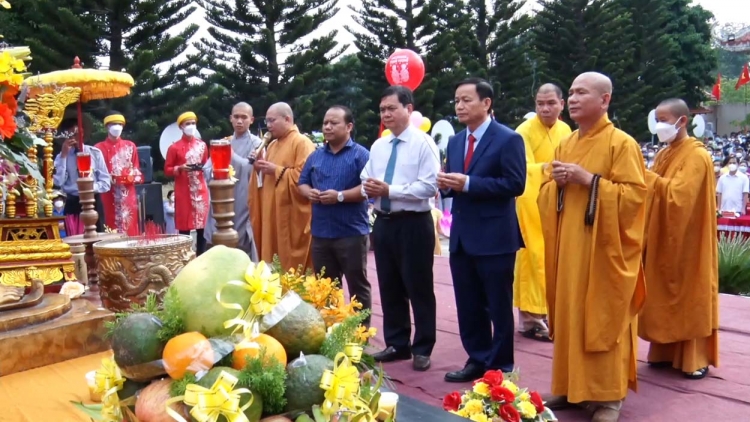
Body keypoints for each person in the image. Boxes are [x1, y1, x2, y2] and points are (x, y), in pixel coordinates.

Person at [538, 72, 647, 422]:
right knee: (571, 315)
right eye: (570, 92)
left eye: (581, 92)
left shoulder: (621, 143)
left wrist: (589, 181)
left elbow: (635, 199)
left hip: (605, 254)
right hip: (571, 249)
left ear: (605, 100)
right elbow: (546, 194)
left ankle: (608, 397)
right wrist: (554, 185)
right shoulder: (566, 143)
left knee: (604, 319)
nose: (572, 98)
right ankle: (571, 386)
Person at [438, 78, 526, 382]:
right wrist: (446, 185)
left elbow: (516, 184)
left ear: (486, 103)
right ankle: (476, 358)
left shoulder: (508, 139)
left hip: (495, 237)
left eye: (466, 100)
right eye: (457, 101)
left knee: (498, 304)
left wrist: (469, 183)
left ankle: (501, 365)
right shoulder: (455, 140)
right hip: (462, 236)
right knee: (468, 302)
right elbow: (457, 185)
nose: (460, 106)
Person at [639, 98, 719, 380]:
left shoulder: (697, 155)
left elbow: (680, 197)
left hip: (689, 241)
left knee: (689, 295)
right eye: (657, 119)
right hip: (666, 237)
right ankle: (663, 352)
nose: (659, 125)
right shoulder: (664, 154)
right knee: (662, 292)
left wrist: (645, 177)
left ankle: (694, 358)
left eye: (664, 119)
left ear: (682, 121)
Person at [362, 85, 440, 372]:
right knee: (390, 285)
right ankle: (397, 343)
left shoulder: (423, 143)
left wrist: (390, 189)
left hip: (413, 223)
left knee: (418, 287)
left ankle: (423, 347)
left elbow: (430, 186)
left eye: (391, 108)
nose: (386, 114)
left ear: (408, 109)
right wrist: (368, 187)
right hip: (383, 222)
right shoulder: (379, 146)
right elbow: (365, 177)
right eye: (382, 109)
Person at [298, 105, 372, 325]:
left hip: (351, 232)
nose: (328, 127)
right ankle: (331, 330)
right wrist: (308, 192)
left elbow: (368, 188)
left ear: (349, 127)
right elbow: (302, 183)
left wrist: (339, 196)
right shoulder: (315, 156)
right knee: (326, 286)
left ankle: (360, 333)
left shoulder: (361, 154)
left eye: (334, 123)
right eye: (325, 123)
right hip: (321, 232)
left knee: (357, 284)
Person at [513, 83, 572, 342]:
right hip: (530, 201)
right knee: (532, 257)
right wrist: (549, 168)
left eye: (551, 103)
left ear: (562, 104)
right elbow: (521, 168)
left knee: (555, 256)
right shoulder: (523, 131)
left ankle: (548, 313)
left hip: (558, 201)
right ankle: (530, 319)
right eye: (540, 104)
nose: (545, 108)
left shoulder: (566, 130)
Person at [248, 102, 316, 270]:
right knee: (273, 261)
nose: (268, 126)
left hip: (291, 216)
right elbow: (265, 181)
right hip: (272, 214)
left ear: (287, 119)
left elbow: (305, 178)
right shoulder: (272, 145)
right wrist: (259, 168)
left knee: (292, 266)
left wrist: (276, 170)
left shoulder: (302, 143)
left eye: (272, 121)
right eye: (267, 122)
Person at [203, 102, 262, 260]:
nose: (239, 121)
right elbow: (207, 169)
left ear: (252, 120)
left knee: (242, 238)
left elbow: (253, 171)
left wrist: (231, 155)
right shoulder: (225, 142)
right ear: (230, 118)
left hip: (244, 196)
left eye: (244, 117)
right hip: (223, 195)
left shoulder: (256, 143)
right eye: (236, 117)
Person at [52, 118, 110, 235]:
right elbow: (58, 181)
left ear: (83, 133)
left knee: (96, 238)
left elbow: (106, 183)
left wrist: (89, 187)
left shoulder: (94, 152)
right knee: (74, 239)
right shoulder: (61, 157)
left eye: (78, 134)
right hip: (73, 201)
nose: (75, 138)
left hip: (93, 201)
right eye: (71, 134)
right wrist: (64, 155)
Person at [164, 112, 210, 255]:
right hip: (184, 191)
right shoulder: (174, 148)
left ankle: (201, 254)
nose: (191, 126)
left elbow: (206, 165)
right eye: (187, 124)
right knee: (185, 225)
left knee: (203, 226)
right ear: (181, 127)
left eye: (193, 123)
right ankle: (184, 255)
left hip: (200, 189)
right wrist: (179, 168)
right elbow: (167, 169)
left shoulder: (202, 145)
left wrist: (203, 168)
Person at [94, 112, 141, 235]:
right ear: (107, 126)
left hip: (128, 193)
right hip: (108, 194)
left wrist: (131, 176)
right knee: (110, 225)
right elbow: (94, 173)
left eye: (120, 124)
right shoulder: (98, 148)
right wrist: (107, 178)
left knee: (129, 225)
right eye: (114, 124)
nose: (117, 127)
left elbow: (137, 170)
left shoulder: (130, 146)